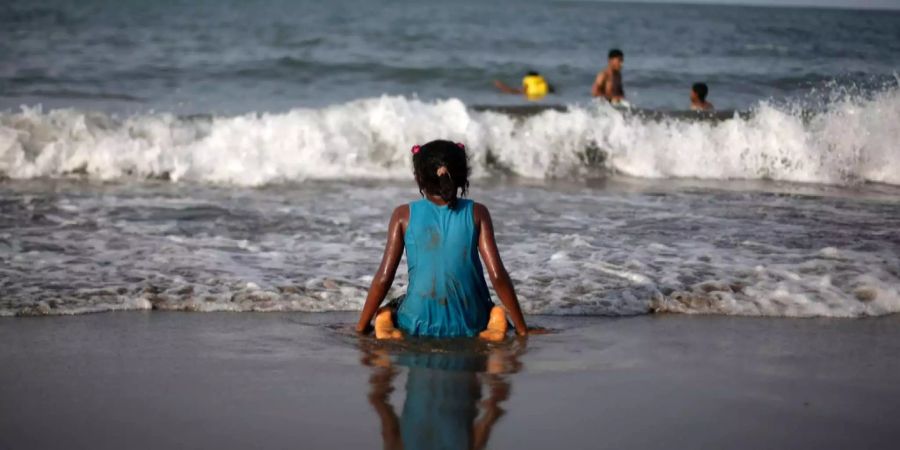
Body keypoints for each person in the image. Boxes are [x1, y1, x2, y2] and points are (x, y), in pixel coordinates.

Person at [355, 139, 537, 340]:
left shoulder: (403, 215)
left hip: (417, 324)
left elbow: (384, 278)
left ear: (418, 178)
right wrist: (522, 330)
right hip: (471, 323)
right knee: (494, 311)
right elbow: (497, 276)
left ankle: (385, 323)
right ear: (462, 176)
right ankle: (496, 321)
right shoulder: (477, 213)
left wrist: (360, 328)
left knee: (393, 305)